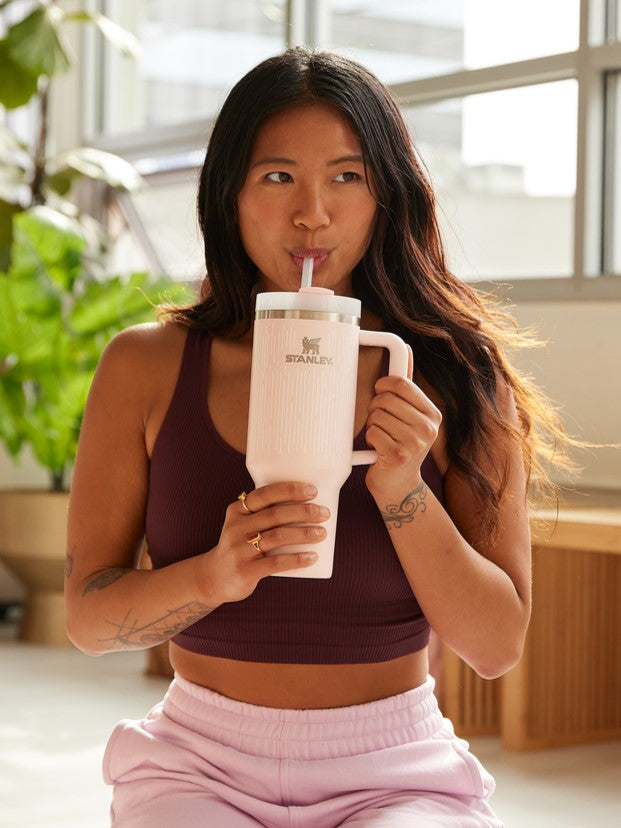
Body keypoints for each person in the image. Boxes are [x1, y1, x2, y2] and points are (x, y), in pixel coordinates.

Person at [65, 47, 567, 827]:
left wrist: (401, 492)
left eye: (346, 176)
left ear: (386, 193)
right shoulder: (145, 366)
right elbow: (89, 621)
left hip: (395, 767)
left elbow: (496, 646)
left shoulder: (456, 370)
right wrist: (213, 576)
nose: (312, 213)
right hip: (197, 763)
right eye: (276, 176)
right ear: (228, 193)